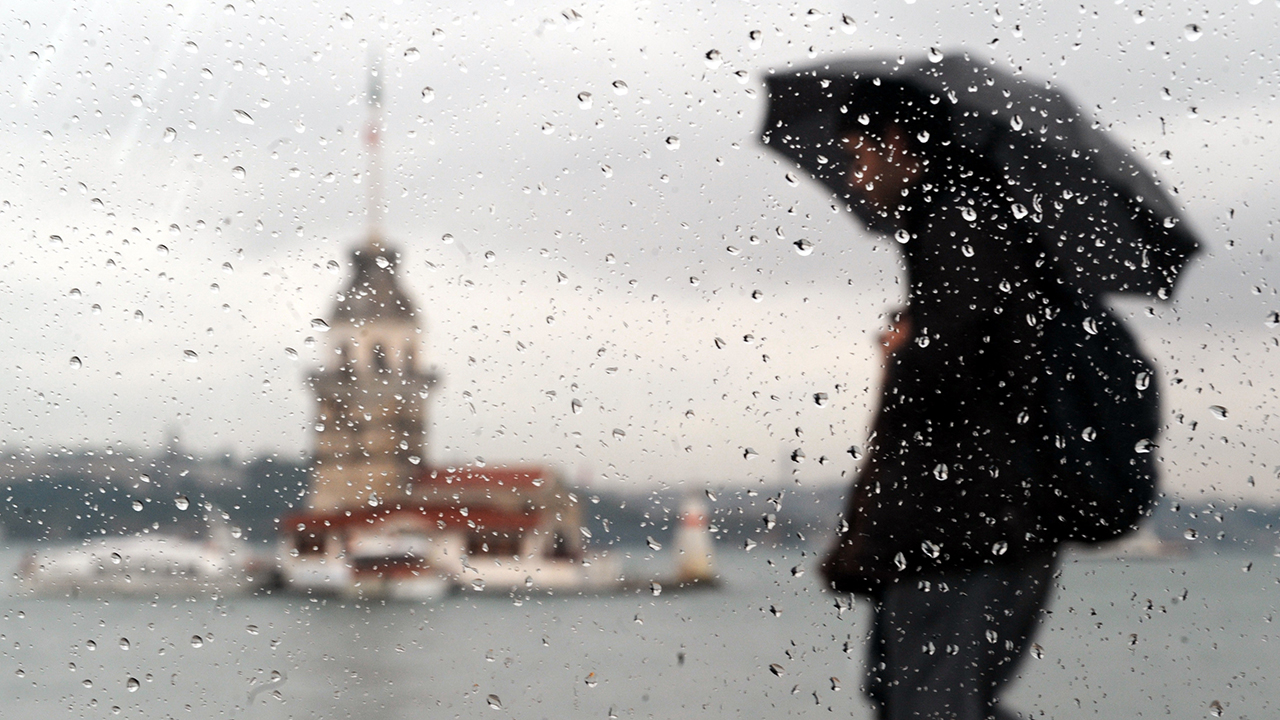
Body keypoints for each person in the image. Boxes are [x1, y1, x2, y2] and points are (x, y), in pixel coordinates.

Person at [826, 81, 1060, 720]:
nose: (854, 177)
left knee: (932, 703)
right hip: (971, 519)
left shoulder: (962, 221)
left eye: (858, 156)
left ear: (897, 144)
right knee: (917, 695)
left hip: (961, 522)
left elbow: (962, 363)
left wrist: (906, 350)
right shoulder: (963, 222)